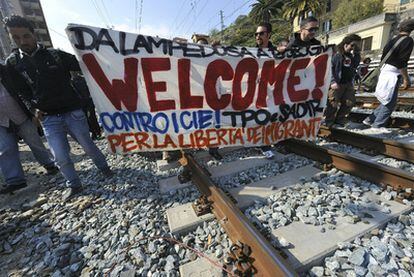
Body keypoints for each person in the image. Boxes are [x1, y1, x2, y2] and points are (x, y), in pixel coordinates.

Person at [4, 15, 112, 200]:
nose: (23, 41)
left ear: (34, 34)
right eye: (16, 38)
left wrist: (103, 49)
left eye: (26, 36)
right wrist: (33, 109)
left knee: (88, 146)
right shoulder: (13, 63)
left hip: (72, 112)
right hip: (48, 118)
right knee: (60, 155)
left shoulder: (55, 55)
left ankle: (105, 168)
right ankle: (74, 184)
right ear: (11, 38)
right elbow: (20, 91)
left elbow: (85, 63)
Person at [0, 63, 58, 194]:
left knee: (34, 141)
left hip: (21, 115)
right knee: (5, 149)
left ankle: (50, 164)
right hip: (1, 121)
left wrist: (32, 111)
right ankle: (15, 181)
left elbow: (24, 90)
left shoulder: (8, 70)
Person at [363, 19, 414, 128]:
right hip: (392, 74)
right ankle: (377, 127)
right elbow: (402, 62)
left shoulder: (392, 40)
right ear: (411, 30)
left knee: (386, 100)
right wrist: (406, 78)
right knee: (390, 104)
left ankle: (369, 120)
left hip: (384, 71)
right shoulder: (408, 40)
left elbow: (384, 58)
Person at [324, 34, 362, 127]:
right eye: (352, 45)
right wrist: (332, 81)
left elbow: (355, 65)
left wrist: (357, 53)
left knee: (350, 102)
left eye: (356, 46)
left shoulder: (351, 55)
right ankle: (329, 120)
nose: (353, 48)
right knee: (333, 103)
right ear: (345, 44)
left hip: (347, 83)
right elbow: (329, 68)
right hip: (337, 83)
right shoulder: (336, 54)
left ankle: (340, 119)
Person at [255, 22, 276, 159]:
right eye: (256, 34)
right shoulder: (250, 51)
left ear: (268, 35)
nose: (258, 36)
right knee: (258, 118)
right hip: (255, 92)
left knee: (267, 118)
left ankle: (264, 144)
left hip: (271, 91)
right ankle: (262, 144)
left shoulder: (277, 52)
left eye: (261, 33)